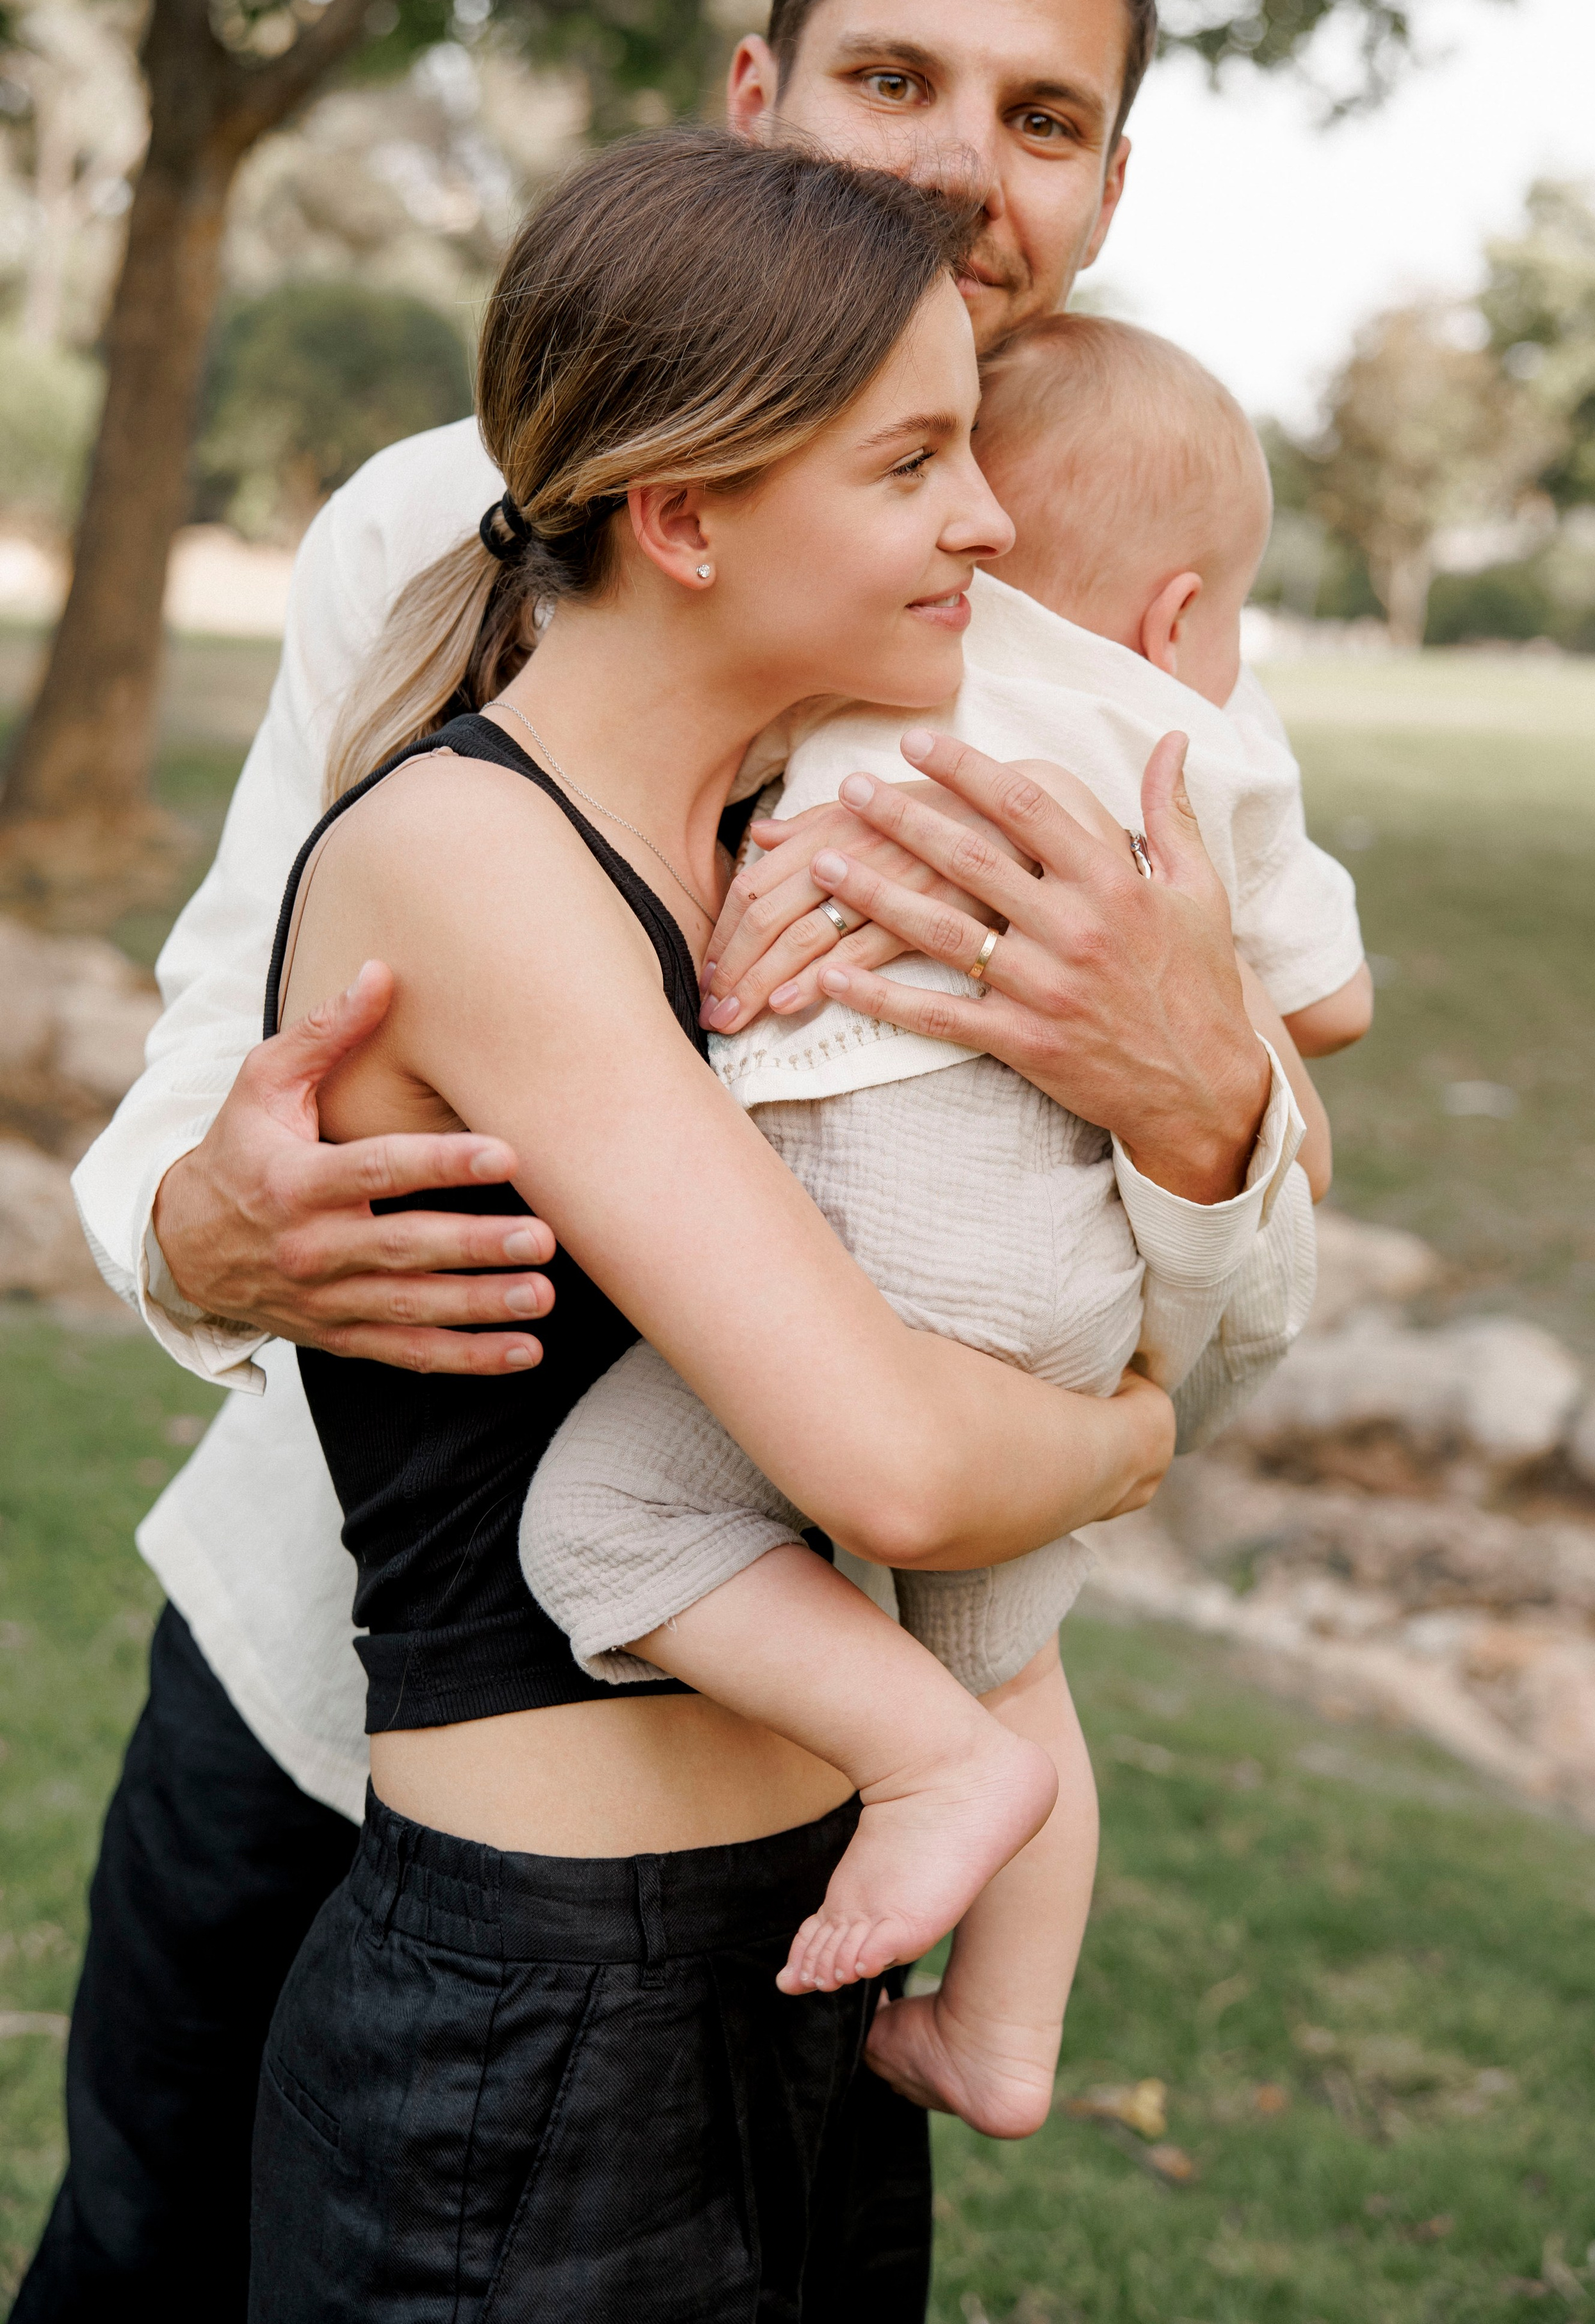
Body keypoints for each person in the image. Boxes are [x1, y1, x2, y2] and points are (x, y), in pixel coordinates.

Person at [15, 0, 1297, 2312]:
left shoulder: (1130, 625)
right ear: (761, 96)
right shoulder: (470, 518)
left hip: (809, 1776)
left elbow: (1208, 1251)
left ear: (1113, 182)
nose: (958, 166)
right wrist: (196, 1229)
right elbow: (240, 1016)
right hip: (361, 1700)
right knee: (161, 2257)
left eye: (1043, 116)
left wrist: (1206, 1109)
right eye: (894, 80)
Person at [246, 125, 1185, 2317]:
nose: (990, 517)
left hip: (802, 1949)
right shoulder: (468, 861)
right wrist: (1135, 1441)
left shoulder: (797, 823)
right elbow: (896, 1465)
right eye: (915, 463)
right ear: (681, 517)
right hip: (542, 2016)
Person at [513, 311, 1363, 2143]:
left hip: (860, 1244)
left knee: (611, 1519)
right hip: (1068, 1280)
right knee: (1016, 1652)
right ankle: (1005, 2033)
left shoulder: (872, 670)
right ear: (1177, 613)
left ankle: (925, 1765)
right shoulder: (1199, 744)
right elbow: (1331, 1016)